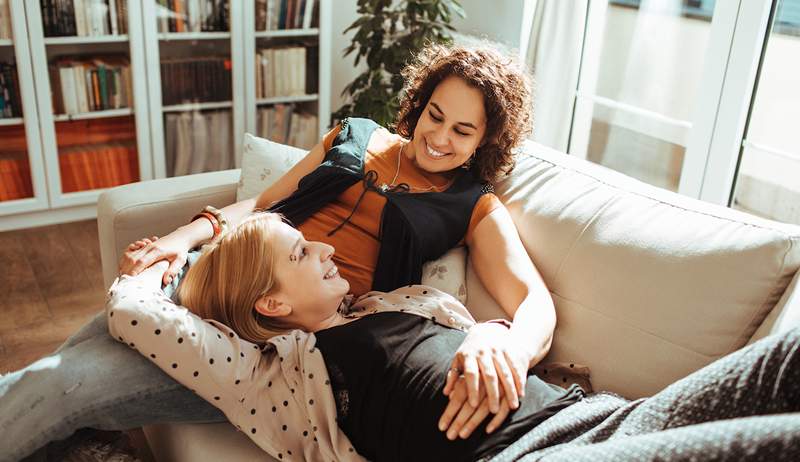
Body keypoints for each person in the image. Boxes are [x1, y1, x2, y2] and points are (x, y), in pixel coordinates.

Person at [0, 42, 547, 461]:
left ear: (485, 140)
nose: (440, 138)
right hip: (219, 272)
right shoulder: (354, 135)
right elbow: (263, 205)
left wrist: (510, 349)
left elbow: (536, 305)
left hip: (269, 336)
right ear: (419, 105)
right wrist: (180, 240)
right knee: (52, 368)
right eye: (435, 116)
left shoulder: (474, 206)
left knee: (61, 383)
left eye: (462, 130)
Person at [107, 214, 800, 461]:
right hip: (521, 459)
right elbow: (132, 315)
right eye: (299, 254)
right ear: (271, 303)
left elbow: (508, 328)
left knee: (782, 364)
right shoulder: (274, 373)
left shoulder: (411, 302)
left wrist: (496, 333)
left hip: (597, 416)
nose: (323, 249)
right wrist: (167, 260)